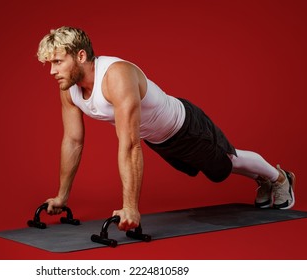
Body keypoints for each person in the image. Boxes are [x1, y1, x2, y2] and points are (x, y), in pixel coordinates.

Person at [36, 26, 295, 232]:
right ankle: (265, 179)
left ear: (81, 55)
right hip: (159, 139)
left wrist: (130, 208)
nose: (52, 71)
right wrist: (61, 196)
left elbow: (129, 144)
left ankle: (279, 178)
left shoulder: (116, 76)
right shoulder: (70, 90)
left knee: (227, 162)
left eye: (58, 61)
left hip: (186, 126)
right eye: (49, 64)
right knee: (215, 168)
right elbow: (72, 141)